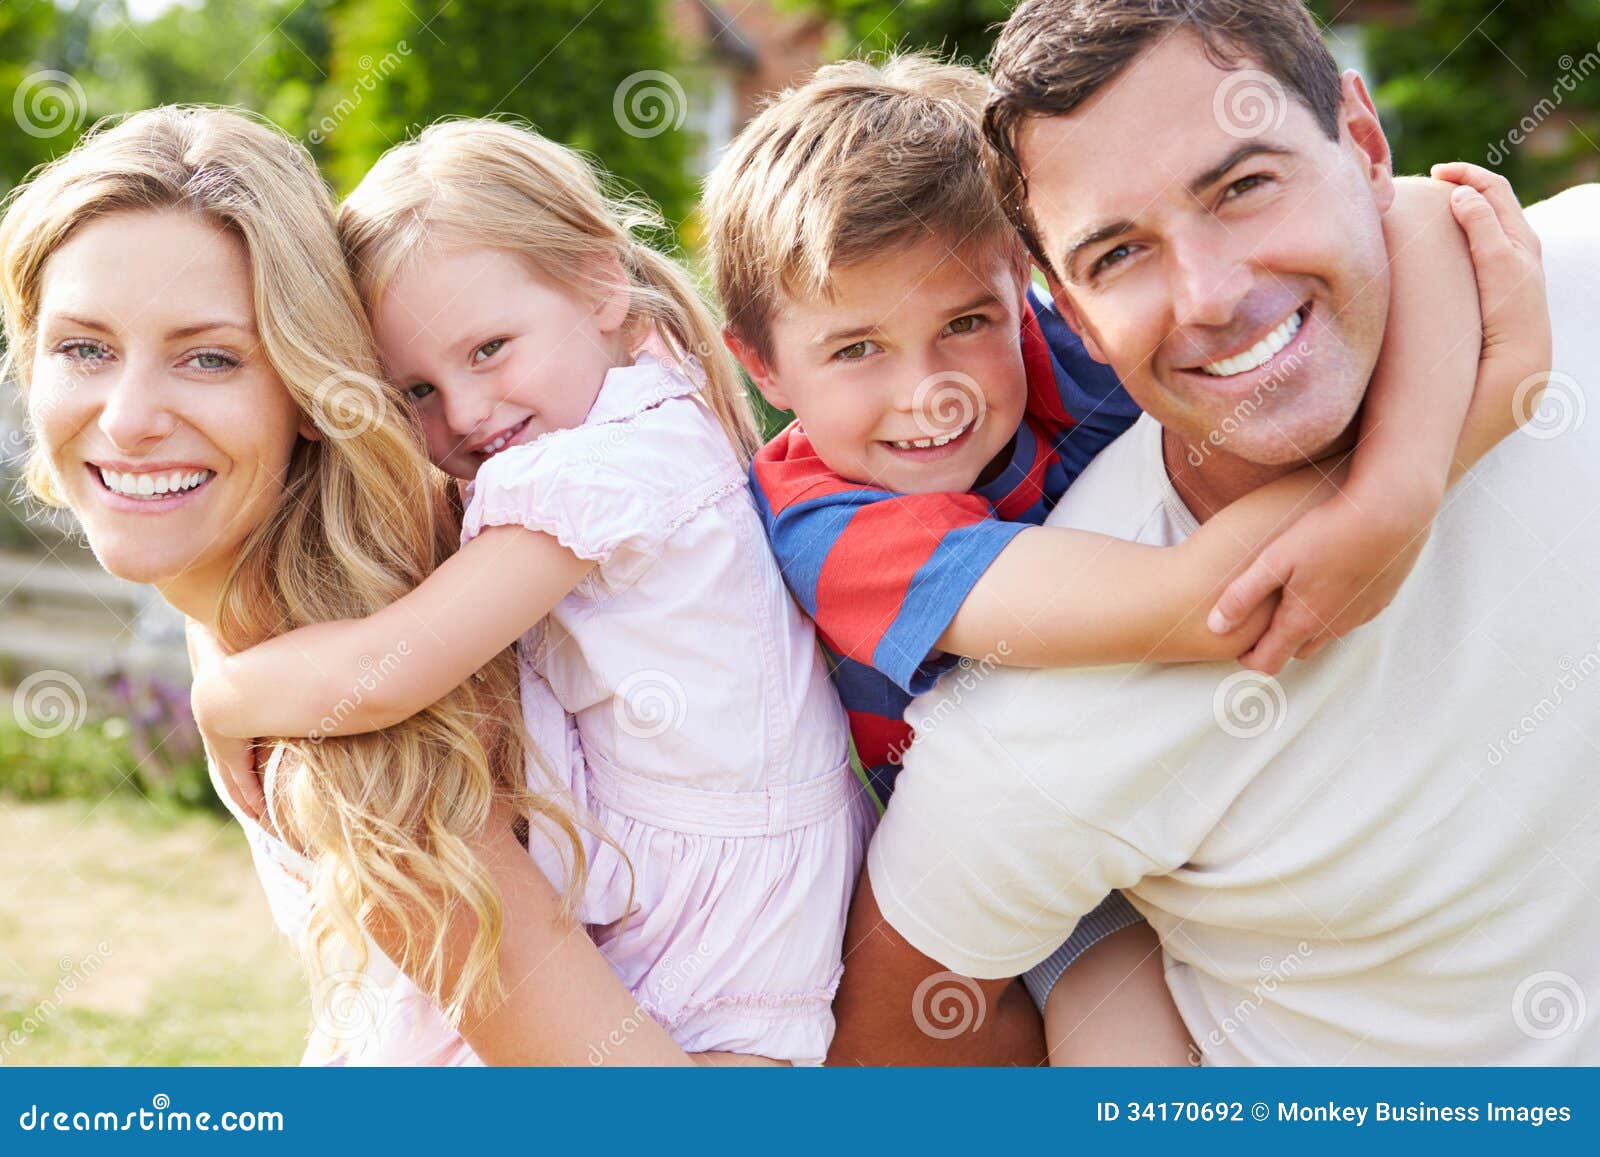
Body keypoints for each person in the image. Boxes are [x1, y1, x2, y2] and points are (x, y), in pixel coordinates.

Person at [703, 53, 1526, 1063]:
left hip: (1161, 806)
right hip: (973, 884)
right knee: (1108, 1021)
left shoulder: (1057, 351)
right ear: (761, 364)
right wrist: (1453, 434)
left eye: (964, 323)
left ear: (1024, 287)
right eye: (857, 349)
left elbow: (1406, 210)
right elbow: (1195, 602)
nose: (930, 391)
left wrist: (1399, 475)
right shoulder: (832, 528)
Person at [0, 105, 721, 1065]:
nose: (129, 419)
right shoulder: (255, 603)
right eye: (84, 347)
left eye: (209, 356)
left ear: (311, 389)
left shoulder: (347, 743)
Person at [185, 118, 876, 1066]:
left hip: (706, 922)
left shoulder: (598, 471)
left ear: (597, 282)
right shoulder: (658, 403)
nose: (465, 412)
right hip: (741, 909)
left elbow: (390, 670)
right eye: (415, 392)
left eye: (489, 349)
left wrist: (223, 698)